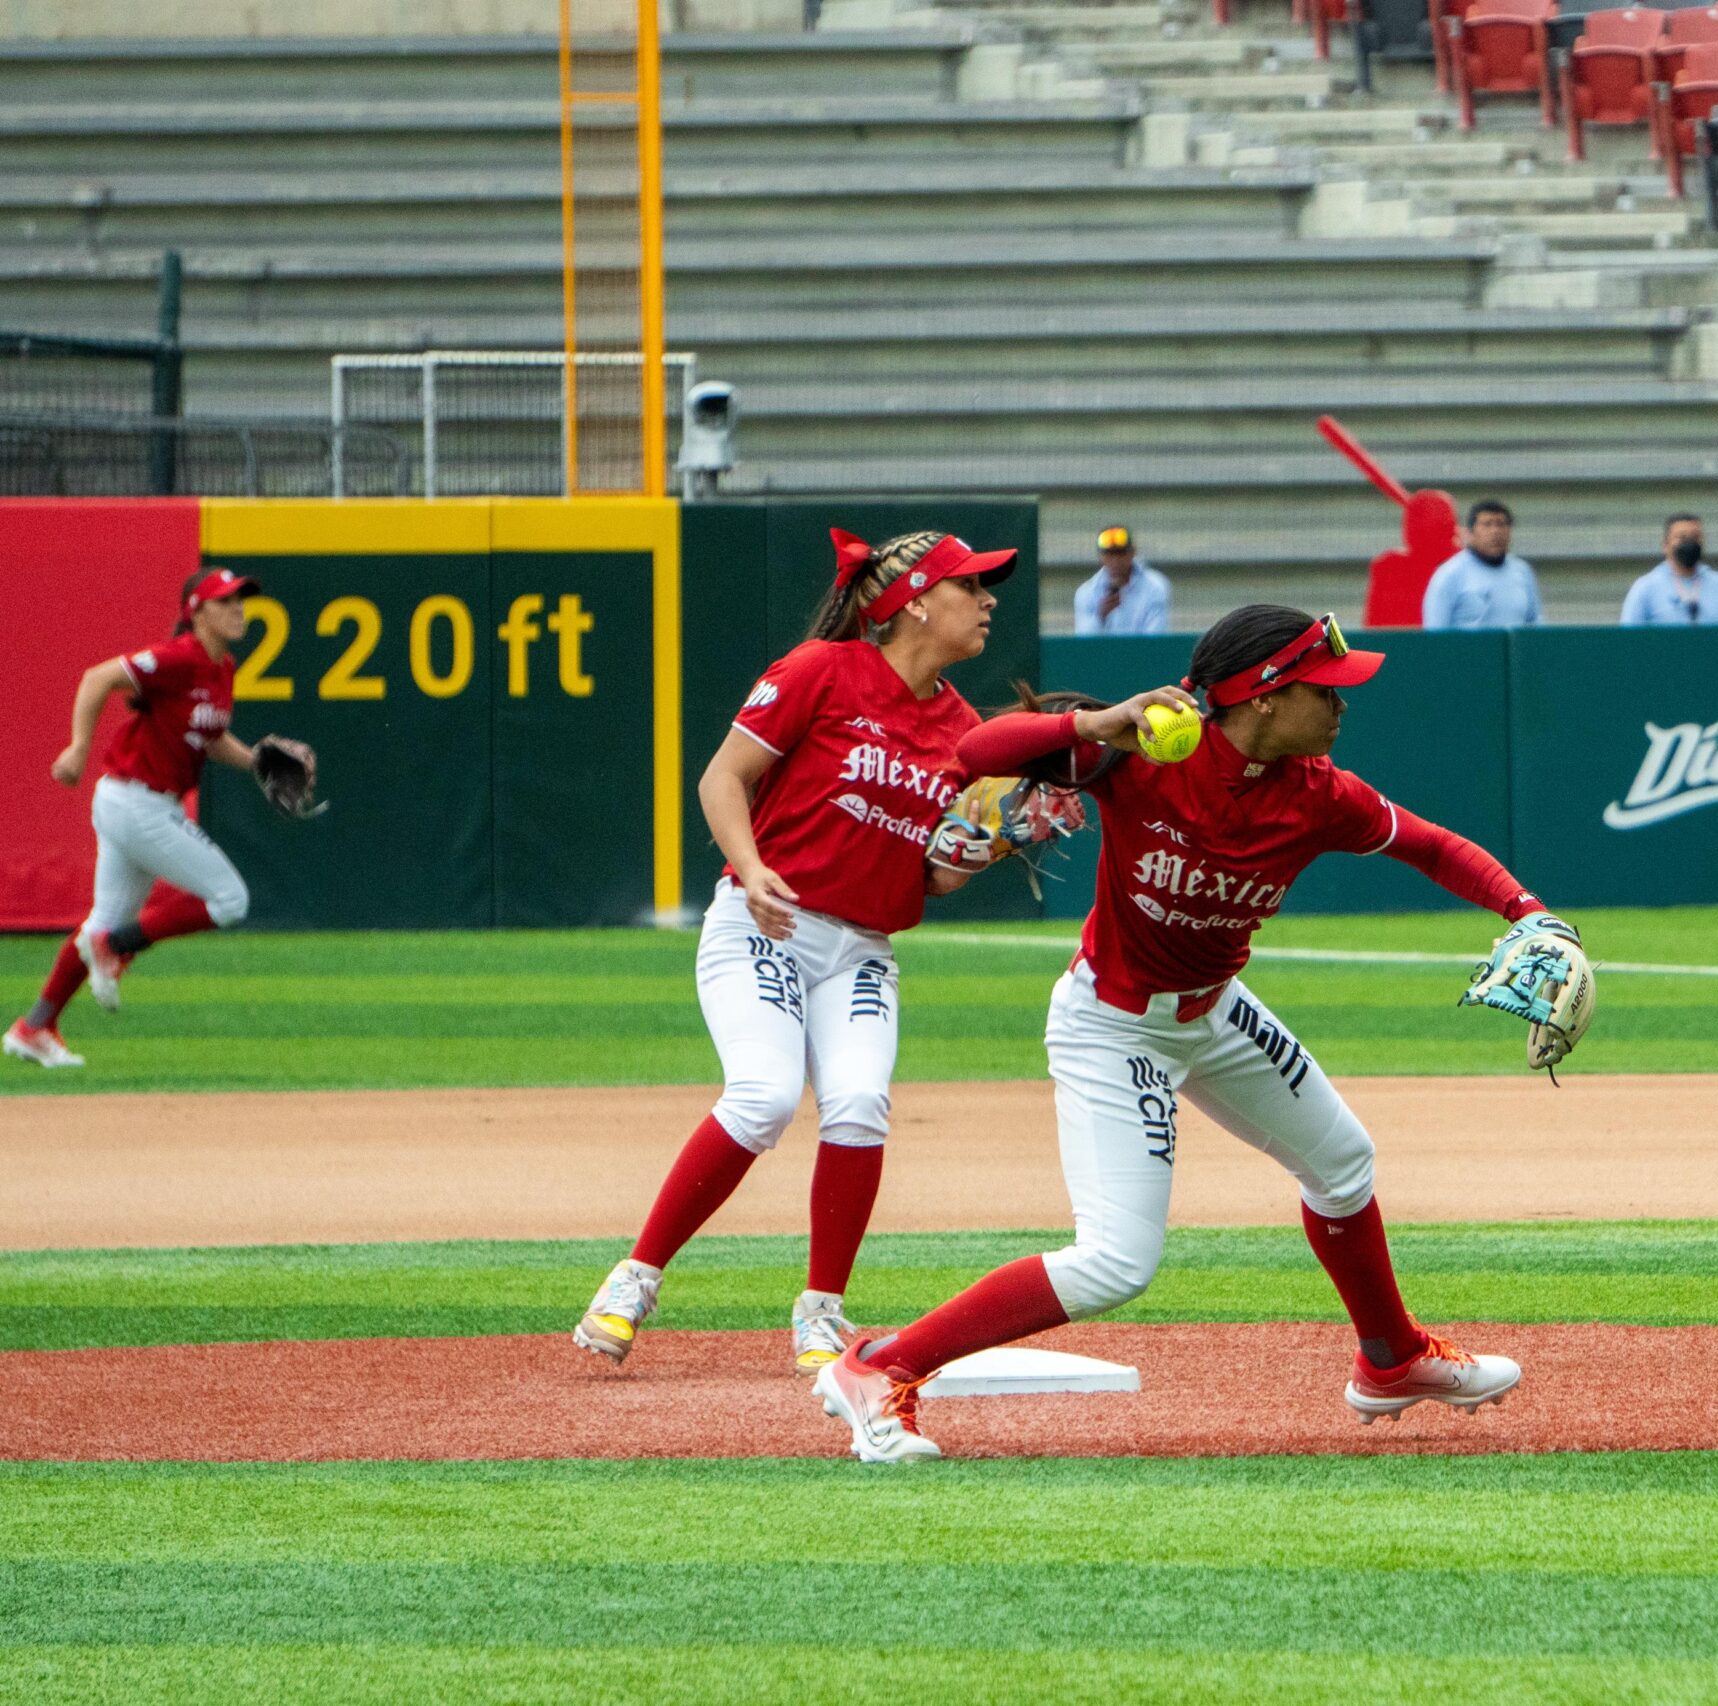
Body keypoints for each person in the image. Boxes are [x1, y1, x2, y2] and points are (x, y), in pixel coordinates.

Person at [811, 604, 1576, 1462]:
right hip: (1113, 1026)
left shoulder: (1319, 795)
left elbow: (1432, 848)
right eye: (1323, 690)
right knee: (1114, 1263)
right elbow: (977, 754)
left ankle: (1391, 1361)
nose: (1341, 705)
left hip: (1212, 1010)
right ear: (1260, 699)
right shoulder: (1139, 756)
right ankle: (880, 1365)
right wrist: (1096, 723)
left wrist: (1530, 912)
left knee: (1342, 1161)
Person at [573, 527, 1082, 1376]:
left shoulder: (959, 730)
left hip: (862, 949)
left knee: (858, 1104)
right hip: (763, 922)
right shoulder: (821, 670)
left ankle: (821, 1312)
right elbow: (721, 778)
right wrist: (750, 864)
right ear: (914, 598)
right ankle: (635, 1277)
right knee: (766, 1096)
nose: (990, 600)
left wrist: (997, 839)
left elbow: (931, 879)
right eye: (971, 586)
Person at [7, 568, 313, 1071]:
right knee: (230, 899)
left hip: (141, 803)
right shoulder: (179, 658)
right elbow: (97, 678)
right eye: (226, 602)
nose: (239, 610)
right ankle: (118, 947)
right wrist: (79, 747)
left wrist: (257, 760)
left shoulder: (222, 667)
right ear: (197, 612)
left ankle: (34, 1026)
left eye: (241, 601)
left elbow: (209, 738)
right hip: (136, 803)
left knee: (101, 922)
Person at [1421, 500, 1542, 629]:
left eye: (1501, 524)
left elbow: (1535, 625)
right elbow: (1435, 633)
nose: (1495, 531)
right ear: (1469, 533)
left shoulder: (1522, 572)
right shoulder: (1449, 574)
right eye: (1487, 525)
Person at [1620, 514, 1718, 626]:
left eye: (1695, 537)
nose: (1690, 543)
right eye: (1682, 538)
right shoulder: (1646, 587)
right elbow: (1628, 640)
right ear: (1665, 545)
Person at [1071, 526, 1171, 635]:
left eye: (1121, 553)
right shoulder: (1087, 592)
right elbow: (1083, 641)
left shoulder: (1155, 586)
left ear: (1133, 553)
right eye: (1109, 554)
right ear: (1100, 557)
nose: (1115, 560)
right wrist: (1100, 616)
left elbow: (1155, 635)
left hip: (1143, 651)